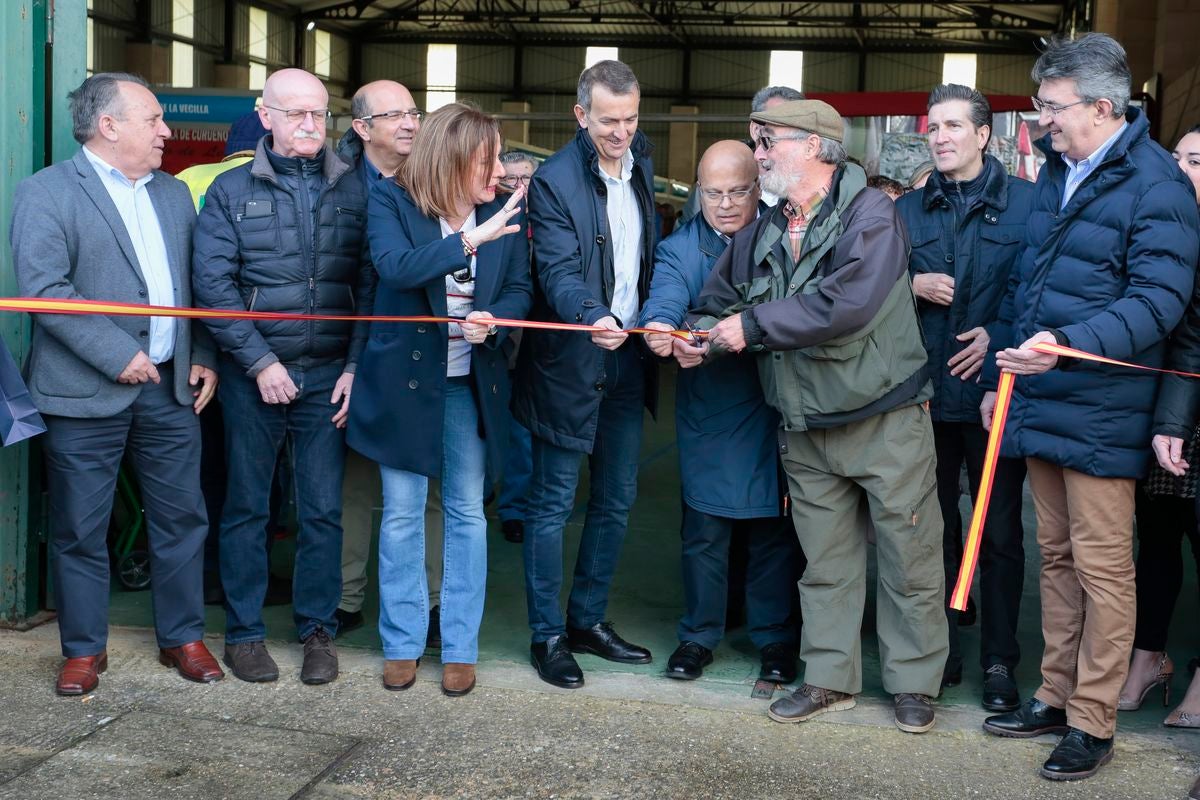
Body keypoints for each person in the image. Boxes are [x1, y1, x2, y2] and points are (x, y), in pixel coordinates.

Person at [979, 34, 1199, 782]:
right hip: (1040, 392)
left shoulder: (1158, 185)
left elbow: (1158, 303)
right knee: (1056, 560)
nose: (1042, 121)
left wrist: (1064, 343)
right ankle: (1054, 692)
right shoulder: (1057, 172)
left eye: (1052, 107)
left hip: (1103, 405)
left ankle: (1093, 721)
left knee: (1105, 570)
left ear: (1102, 108)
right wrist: (1003, 375)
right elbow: (1024, 286)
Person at [690, 99, 948, 734]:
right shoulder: (766, 227)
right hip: (805, 426)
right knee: (825, 564)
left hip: (884, 420)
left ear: (812, 146)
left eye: (769, 140)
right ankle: (829, 677)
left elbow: (847, 304)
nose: (760, 152)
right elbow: (716, 299)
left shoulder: (872, 216)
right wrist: (698, 333)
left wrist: (745, 328)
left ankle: (914, 684)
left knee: (908, 560)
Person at [10, 72, 223, 694]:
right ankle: (82, 649)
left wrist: (202, 350)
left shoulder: (174, 196)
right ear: (109, 126)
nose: (166, 131)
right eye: (154, 120)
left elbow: (196, 288)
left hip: (170, 393)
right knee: (81, 526)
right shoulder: (46, 193)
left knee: (183, 518)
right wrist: (117, 354)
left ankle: (182, 637)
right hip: (83, 391)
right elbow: (45, 291)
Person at [193, 67, 374, 686]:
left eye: (319, 114)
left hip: (327, 374)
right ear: (264, 117)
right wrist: (260, 362)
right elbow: (212, 288)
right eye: (295, 113)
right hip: (253, 378)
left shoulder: (356, 190)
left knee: (322, 511)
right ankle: (244, 634)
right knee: (247, 507)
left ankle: (317, 630)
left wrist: (353, 364)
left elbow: (372, 285)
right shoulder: (228, 190)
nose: (309, 125)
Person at [348, 103, 532, 697]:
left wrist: (495, 322)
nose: (499, 168)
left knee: (466, 515)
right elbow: (395, 268)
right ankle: (401, 642)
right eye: (489, 158)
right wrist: (469, 241)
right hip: (404, 383)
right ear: (454, 161)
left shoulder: (504, 208)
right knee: (401, 513)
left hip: (467, 384)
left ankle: (459, 645)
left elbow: (521, 289)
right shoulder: (393, 199)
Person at [511, 59, 659, 689]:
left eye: (629, 120)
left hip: (627, 359)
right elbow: (558, 271)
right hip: (571, 361)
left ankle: (587, 621)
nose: (620, 133)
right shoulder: (553, 181)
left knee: (617, 501)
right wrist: (590, 313)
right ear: (581, 115)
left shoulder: (642, 163)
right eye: (607, 122)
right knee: (550, 506)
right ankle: (547, 635)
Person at [640, 140, 798, 683]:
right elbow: (663, 300)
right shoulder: (680, 250)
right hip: (712, 405)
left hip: (776, 402)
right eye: (713, 193)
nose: (726, 204)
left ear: (760, 188)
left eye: (738, 191)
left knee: (774, 529)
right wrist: (664, 329)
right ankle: (698, 635)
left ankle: (776, 638)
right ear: (698, 192)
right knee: (705, 529)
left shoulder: (787, 234)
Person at [896, 83, 1032, 712]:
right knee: (933, 530)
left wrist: (1001, 334)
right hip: (925, 397)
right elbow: (866, 293)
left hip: (992, 394)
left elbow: (1044, 294)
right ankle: (943, 645)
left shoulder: (1029, 207)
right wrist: (910, 283)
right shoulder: (908, 213)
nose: (941, 135)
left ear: (984, 135)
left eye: (954, 125)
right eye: (932, 127)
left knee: (999, 529)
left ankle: (1000, 658)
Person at [333, 79, 425, 636]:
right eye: (395, 115)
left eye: (414, 112)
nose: (411, 123)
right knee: (354, 485)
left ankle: (430, 604)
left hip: (419, 354)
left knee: (424, 487)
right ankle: (346, 599)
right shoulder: (335, 186)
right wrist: (347, 361)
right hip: (351, 353)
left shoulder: (431, 183)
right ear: (362, 128)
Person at [1136, 124, 1200, 727]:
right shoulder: (1162, 228)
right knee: (1155, 542)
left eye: (1198, 160)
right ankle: (1148, 656)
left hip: (1186, 411)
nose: (1183, 169)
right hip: (1160, 412)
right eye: (1178, 158)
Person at [494, 150, 538, 545]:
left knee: (523, 432)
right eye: (511, 180)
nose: (520, 188)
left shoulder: (546, 225)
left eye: (526, 180)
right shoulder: (488, 223)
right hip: (495, 346)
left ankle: (515, 507)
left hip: (536, 349)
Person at [682, 85, 804, 223]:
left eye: (794, 129)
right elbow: (688, 238)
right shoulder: (714, 182)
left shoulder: (813, 183)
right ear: (755, 130)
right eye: (778, 125)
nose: (785, 135)